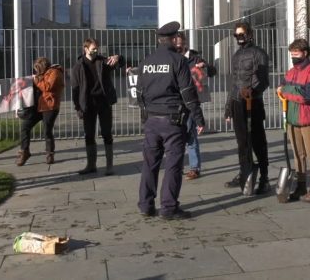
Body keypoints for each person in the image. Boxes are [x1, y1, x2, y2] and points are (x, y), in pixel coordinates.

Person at [137, 22, 205, 220]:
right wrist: (198, 118)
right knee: (173, 164)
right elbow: (188, 93)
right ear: (174, 39)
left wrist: (146, 113)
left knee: (150, 164)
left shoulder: (147, 61)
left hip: (151, 120)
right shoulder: (178, 61)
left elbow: (139, 93)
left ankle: (145, 205)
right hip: (172, 120)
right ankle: (168, 207)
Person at [223, 21, 271, 194]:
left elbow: (265, 81)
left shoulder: (259, 53)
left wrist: (253, 91)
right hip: (238, 103)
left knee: (258, 141)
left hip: (253, 103)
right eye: (236, 35)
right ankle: (245, 173)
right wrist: (228, 106)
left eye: (242, 34)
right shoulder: (236, 56)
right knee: (242, 142)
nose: (239, 38)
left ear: (250, 34)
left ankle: (264, 177)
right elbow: (234, 83)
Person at [277, 38, 310, 202]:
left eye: (296, 54)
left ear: (305, 53)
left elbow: (307, 96)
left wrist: (288, 91)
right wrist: (291, 91)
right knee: (298, 154)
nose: (293, 57)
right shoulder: (291, 72)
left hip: (308, 118)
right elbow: (281, 89)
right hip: (292, 117)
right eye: (292, 54)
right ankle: (301, 185)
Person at [70, 38, 123, 175]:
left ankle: (109, 166)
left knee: (106, 133)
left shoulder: (103, 61)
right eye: (93, 48)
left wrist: (118, 58)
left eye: (96, 48)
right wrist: (78, 107)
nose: (96, 50)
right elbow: (75, 89)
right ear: (85, 49)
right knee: (89, 134)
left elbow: (119, 64)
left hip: (104, 102)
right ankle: (91, 165)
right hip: (88, 104)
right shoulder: (78, 66)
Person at [173, 31, 216, 180]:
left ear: (184, 44)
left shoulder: (194, 57)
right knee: (176, 137)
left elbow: (212, 71)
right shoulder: (172, 58)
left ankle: (194, 168)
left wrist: (205, 66)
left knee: (191, 136)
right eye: (176, 45)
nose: (178, 47)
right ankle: (176, 167)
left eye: (180, 45)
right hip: (175, 101)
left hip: (191, 101)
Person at [17, 57, 64, 166]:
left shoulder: (55, 72)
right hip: (37, 107)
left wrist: (35, 80)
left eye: (38, 69)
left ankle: (50, 154)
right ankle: (25, 151)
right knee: (25, 127)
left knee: (47, 130)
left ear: (43, 67)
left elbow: (48, 86)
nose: (36, 71)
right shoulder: (40, 75)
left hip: (50, 106)